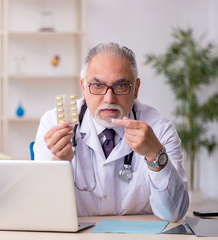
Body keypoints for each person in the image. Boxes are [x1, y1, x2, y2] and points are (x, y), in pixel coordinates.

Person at [33, 42, 189, 222]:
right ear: (84, 88)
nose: (109, 98)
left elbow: (174, 213)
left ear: (136, 88)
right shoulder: (53, 124)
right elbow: (42, 211)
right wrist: (59, 163)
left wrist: (156, 156)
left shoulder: (159, 129)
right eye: (97, 86)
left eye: (120, 86)